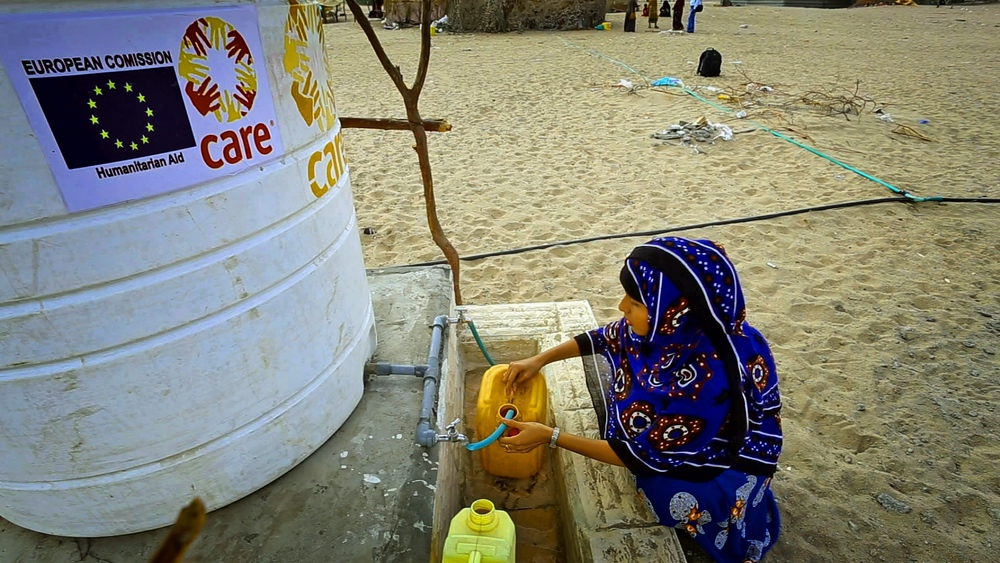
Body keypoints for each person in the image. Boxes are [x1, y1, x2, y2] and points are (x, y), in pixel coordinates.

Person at [498, 237, 783, 562]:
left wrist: (550, 436)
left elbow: (644, 459)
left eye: (635, 302)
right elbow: (605, 337)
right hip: (678, 433)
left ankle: (721, 511)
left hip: (722, 463)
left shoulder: (706, 378)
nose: (622, 307)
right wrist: (540, 360)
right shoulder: (671, 330)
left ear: (676, 311)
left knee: (658, 490)